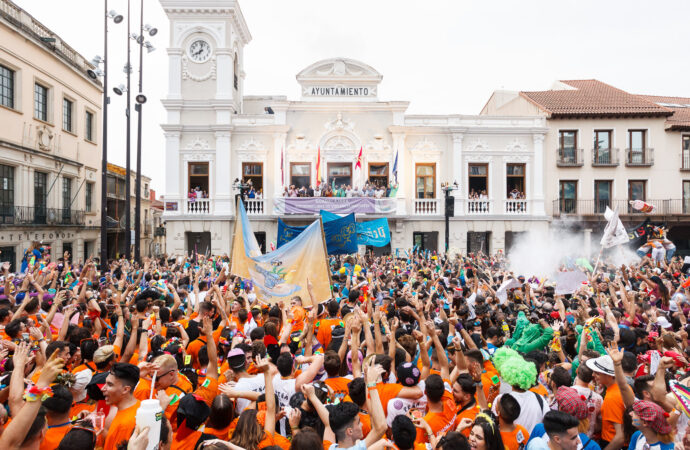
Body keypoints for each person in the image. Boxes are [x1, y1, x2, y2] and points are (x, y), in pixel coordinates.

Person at [586, 355, 624, 449]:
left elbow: (620, 437)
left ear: (610, 376)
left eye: (597, 373)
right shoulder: (618, 390)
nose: (593, 375)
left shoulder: (613, 397)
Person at [102, 363, 142, 450]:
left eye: (110, 384)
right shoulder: (138, 405)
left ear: (125, 389)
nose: (103, 388)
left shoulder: (126, 425)